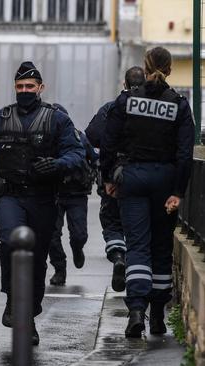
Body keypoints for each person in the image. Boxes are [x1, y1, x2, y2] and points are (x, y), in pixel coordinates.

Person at [0, 61, 85, 345]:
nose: (24, 91)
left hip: (43, 199)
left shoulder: (57, 119)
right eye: (19, 87)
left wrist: (56, 165)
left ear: (40, 88)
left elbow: (76, 153)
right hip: (9, 196)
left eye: (29, 87)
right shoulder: (0, 118)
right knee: (10, 242)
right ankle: (12, 299)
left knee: (36, 260)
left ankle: (29, 314)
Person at [100, 47, 194, 338]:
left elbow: (108, 140)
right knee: (161, 247)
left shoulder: (127, 100)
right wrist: (178, 191)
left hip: (134, 178)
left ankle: (136, 311)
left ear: (145, 66)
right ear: (169, 70)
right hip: (165, 179)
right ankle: (157, 317)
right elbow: (185, 154)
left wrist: (108, 178)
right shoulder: (178, 104)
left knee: (138, 245)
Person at [85, 66, 146, 292]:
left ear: (125, 84)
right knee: (139, 224)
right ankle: (135, 273)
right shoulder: (151, 107)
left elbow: (92, 135)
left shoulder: (112, 107)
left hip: (116, 175)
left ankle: (118, 256)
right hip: (145, 173)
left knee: (111, 220)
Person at [47, 104, 98, 285]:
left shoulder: (79, 138)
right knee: (52, 236)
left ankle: (77, 249)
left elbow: (93, 158)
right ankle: (60, 269)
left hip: (76, 193)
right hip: (53, 193)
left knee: (79, 235)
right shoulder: (45, 139)